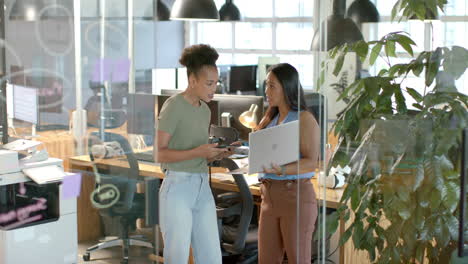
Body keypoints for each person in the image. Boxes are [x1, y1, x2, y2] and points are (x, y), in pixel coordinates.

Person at [156, 44, 231, 264]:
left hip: (202, 187)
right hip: (178, 187)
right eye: (209, 83)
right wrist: (199, 151)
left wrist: (214, 155)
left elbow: (197, 154)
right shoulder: (173, 106)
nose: (213, 88)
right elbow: (160, 154)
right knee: (177, 257)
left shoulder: (205, 110)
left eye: (216, 83)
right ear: (192, 81)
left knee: (211, 258)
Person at [256, 63, 320, 264]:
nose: (267, 91)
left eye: (272, 86)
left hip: (295, 197)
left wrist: (283, 169)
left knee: (298, 260)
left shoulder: (304, 119)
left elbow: (311, 163)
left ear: (287, 87)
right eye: (266, 85)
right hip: (269, 197)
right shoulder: (270, 118)